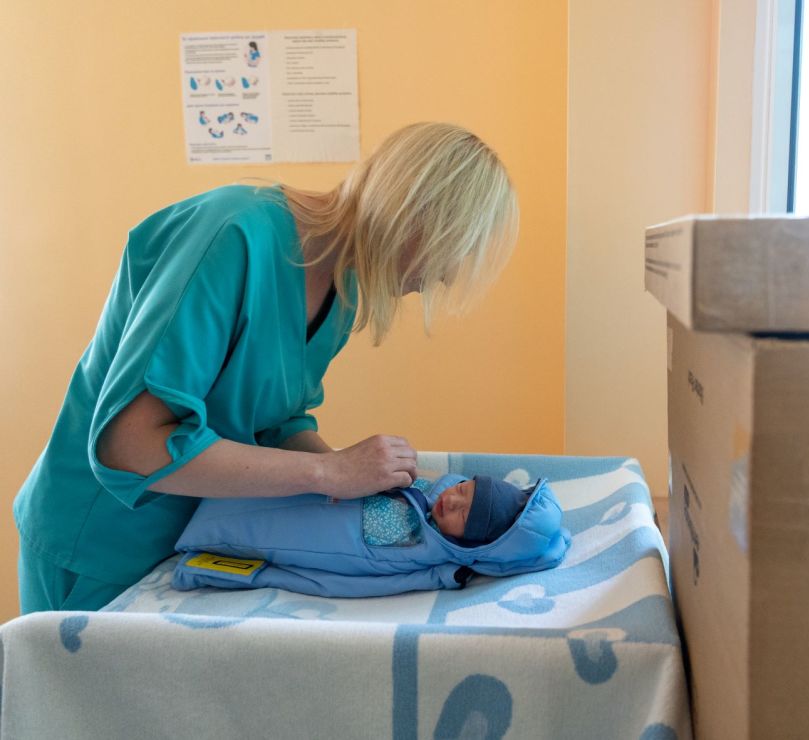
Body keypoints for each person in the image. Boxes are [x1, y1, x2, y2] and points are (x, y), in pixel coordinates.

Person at [14, 122, 519, 613]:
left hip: (189, 542)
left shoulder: (341, 288)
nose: (445, 277)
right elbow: (129, 445)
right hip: (101, 542)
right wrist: (329, 471)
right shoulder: (233, 235)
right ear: (416, 214)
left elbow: (275, 422)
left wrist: (364, 484)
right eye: (453, 250)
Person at [171, 474, 571, 598]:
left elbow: (336, 584)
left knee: (240, 522)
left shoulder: (426, 559)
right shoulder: (426, 493)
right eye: (462, 489)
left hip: (243, 535)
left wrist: (216, 572)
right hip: (276, 490)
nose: (452, 501)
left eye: (465, 514)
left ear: (472, 546)